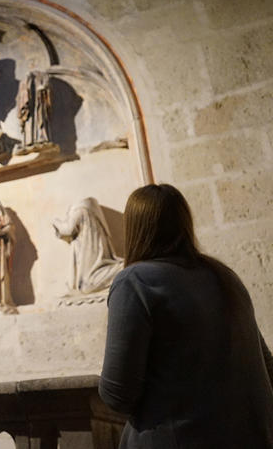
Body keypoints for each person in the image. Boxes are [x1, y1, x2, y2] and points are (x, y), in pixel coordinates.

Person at [99, 183, 273, 448]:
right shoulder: (225, 276)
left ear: (134, 229)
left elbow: (117, 394)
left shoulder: (135, 282)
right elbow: (266, 364)